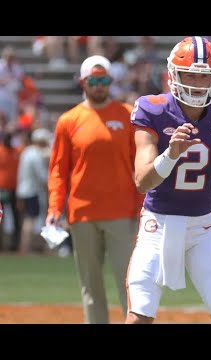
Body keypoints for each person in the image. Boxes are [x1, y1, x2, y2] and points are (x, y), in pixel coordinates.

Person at [125, 36, 211, 324]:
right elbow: (142, 181)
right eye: (191, 75)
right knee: (139, 315)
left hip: (204, 227)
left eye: (205, 77)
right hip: (157, 225)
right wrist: (170, 154)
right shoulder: (153, 108)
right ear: (174, 74)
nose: (198, 84)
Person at [46, 55, 141, 324]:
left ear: (110, 81)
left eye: (104, 80)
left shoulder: (128, 114)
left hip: (122, 213)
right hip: (82, 214)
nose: (99, 86)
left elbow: (141, 166)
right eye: (93, 80)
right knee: (91, 287)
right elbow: (58, 170)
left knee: (131, 283)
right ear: (82, 82)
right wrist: (55, 207)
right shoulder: (69, 120)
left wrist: (144, 206)